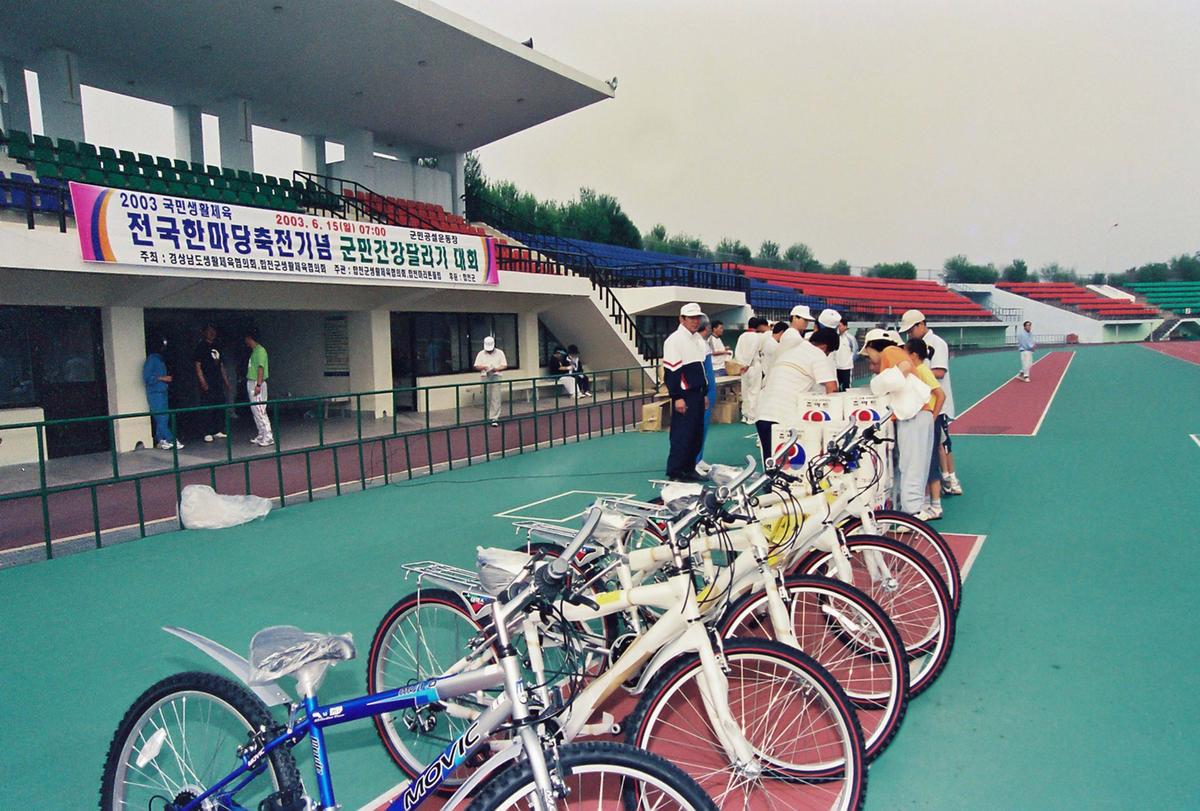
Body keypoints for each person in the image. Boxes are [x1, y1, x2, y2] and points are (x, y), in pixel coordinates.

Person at [899, 309, 962, 496]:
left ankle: (951, 478)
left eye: (911, 329)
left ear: (921, 324)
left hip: (937, 403)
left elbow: (940, 371)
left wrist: (914, 372)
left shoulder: (937, 343)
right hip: (924, 402)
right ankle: (945, 478)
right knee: (935, 444)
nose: (909, 333)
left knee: (942, 443)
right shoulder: (915, 345)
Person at [755, 326, 840, 465]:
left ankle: (770, 486)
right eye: (829, 352)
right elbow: (832, 388)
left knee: (770, 464)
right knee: (790, 466)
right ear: (824, 347)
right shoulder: (817, 354)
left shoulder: (791, 350)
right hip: (783, 416)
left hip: (763, 412)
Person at [662, 302, 708, 481]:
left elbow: (701, 369)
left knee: (696, 434)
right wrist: (677, 397)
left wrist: (704, 393)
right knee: (682, 435)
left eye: (697, 318)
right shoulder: (674, 340)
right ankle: (675, 472)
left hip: (697, 393)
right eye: (691, 318)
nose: (695, 321)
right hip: (685, 395)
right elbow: (672, 373)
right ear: (681, 319)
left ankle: (689, 468)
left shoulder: (697, 339)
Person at [904, 339, 946, 521]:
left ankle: (936, 505)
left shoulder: (922, 371)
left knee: (930, 462)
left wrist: (933, 417)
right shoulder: (917, 371)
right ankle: (927, 502)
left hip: (928, 420)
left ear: (913, 355)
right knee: (923, 462)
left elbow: (940, 395)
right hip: (925, 421)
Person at [194, 323, 232, 443]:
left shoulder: (217, 346)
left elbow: (221, 365)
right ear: (204, 332)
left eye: (213, 331)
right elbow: (197, 365)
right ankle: (207, 431)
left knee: (219, 405)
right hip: (207, 381)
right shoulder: (201, 347)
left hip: (217, 381)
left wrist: (226, 381)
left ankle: (217, 429)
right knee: (207, 407)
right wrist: (203, 381)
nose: (212, 333)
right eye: (209, 331)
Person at [142, 335, 182, 450]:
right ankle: (170, 439)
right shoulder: (152, 359)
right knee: (161, 417)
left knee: (164, 416)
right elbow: (147, 377)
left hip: (162, 391)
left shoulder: (160, 359)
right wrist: (163, 378)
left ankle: (161, 439)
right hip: (155, 392)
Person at [734, 317, 770, 423]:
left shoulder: (742, 336)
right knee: (754, 392)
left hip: (743, 368)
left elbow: (738, 351)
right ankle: (752, 416)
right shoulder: (758, 336)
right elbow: (753, 350)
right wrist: (747, 364)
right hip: (753, 365)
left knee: (744, 391)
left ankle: (744, 415)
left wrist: (741, 363)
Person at [695, 316, 719, 472]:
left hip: (710, 389)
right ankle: (694, 459)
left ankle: (699, 457)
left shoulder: (704, 344)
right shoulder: (697, 344)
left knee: (704, 426)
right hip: (704, 390)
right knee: (699, 426)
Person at [244, 329, 273, 447]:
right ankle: (261, 433)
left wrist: (258, 385)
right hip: (252, 381)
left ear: (250, 338)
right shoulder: (254, 351)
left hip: (257, 382)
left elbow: (261, 368)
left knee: (260, 409)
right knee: (255, 410)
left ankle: (268, 436)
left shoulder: (260, 351)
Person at [473, 335, 508, 426]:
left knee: (496, 397)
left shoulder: (500, 353)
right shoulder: (481, 353)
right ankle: (488, 415)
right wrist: (484, 367)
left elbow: (504, 365)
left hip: (496, 376)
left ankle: (494, 418)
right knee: (486, 396)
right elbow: (476, 365)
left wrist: (495, 369)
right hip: (485, 376)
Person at [835, 321, 858, 391]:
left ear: (845, 326)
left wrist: (849, 362)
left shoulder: (850, 338)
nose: (838, 328)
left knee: (847, 388)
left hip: (846, 368)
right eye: (837, 326)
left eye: (840, 326)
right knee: (837, 388)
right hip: (836, 367)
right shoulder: (835, 337)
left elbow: (855, 351)